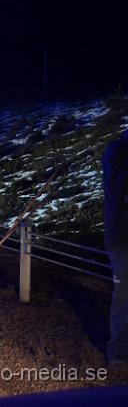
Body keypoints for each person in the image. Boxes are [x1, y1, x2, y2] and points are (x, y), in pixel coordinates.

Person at [104, 129, 128, 366]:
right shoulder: (117, 154)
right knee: (124, 294)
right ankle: (119, 356)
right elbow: (119, 191)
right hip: (123, 236)